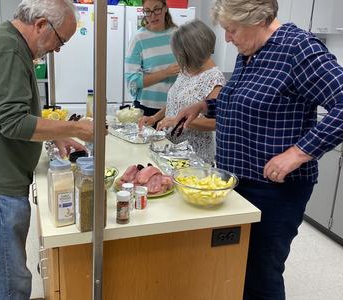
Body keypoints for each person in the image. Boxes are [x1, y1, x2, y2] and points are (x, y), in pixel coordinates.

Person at [173, 0, 343, 299]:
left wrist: (299, 152)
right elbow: (243, 102)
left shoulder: (299, 49)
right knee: (237, 265)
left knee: (261, 274)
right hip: (238, 182)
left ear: (258, 20)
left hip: (275, 190)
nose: (227, 38)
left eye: (232, 30)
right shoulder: (249, 52)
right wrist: (204, 105)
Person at [0, 1, 93, 299]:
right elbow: (12, 122)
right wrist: (73, 128)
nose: (58, 50)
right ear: (42, 24)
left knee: (4, 267)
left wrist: (54, 137)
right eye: (61, 40)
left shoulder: (5, 40)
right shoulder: (9, 50)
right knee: (10, 281)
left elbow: (11, 112)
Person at [139, 20, 225, 163]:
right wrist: (155, 118)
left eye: (182, 54)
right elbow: (176, 100)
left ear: (194, 51)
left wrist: (178, 121)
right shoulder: (186, 71)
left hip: (194, 156)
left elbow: (216, 122)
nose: (180, 58)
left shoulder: (215, 79)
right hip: (172, 149)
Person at [125, 0, 180, 117]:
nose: (153, 16)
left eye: (157, 9)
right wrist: (165, 73)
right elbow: (132, 81)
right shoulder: (138, 39)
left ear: (165, 8)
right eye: (148, 11)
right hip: (146, 109)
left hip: (174, 107)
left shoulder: (178, 35)